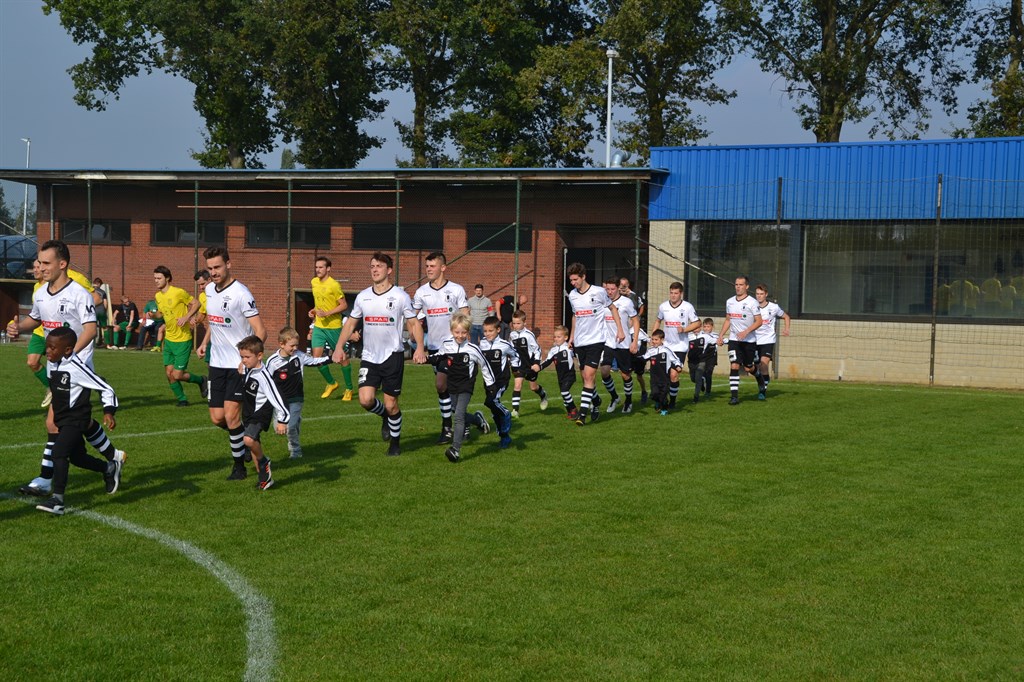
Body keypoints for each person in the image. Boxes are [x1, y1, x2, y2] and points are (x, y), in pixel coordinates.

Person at [7, 240, 125, 497]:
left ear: (63, 264)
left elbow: (90, 330)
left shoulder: (79, 294)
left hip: (77, 371)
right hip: (56, 369)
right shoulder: (40, 293)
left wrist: (69, 356)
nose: (41, 267)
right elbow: (35, 319)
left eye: (46, 263)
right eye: (39, 262)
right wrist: (19, 327)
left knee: (53, 423)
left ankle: (45, 479)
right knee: (77, 423)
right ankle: (112, 459)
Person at [332, 252, 426, 457]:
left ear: (389, 270)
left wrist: (419, 347)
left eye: (379, 266)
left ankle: (395, 443)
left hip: (393, 356)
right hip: (369, 356)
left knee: (392, 404)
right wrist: (339, 347)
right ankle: (384, 416)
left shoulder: (400, 296)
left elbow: (413, 323)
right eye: (372, 266)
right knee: (365, 400)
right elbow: (350, 324)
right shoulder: (363, 296)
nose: (374, 269)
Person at [33, 327, 124, 515]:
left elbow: (105, 387)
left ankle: (57, 500)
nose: (47, 351)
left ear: (67, 350)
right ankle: (108, 467)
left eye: (52, 348)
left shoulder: (76, 368)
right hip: (63, 420)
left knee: (58, 453)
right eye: (47, 346)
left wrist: (108, 411)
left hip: (76, 419)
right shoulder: (54, 364)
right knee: (77, 458)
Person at [196, 246, 267, 480]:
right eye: (210, 268)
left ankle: (239, 468)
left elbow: (260, 331)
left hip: (238, 366)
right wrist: (205, 342)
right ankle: (243, 437)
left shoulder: (241, 294)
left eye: (217, 267)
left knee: (231, 416)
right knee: (217, 418)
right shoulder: (209, 290)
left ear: (228, 264)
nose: (213, 272)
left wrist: (248, 360)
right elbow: (214, 322)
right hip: (216, 364)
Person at [412, 251, 469, 445]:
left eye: (432, 266)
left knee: (441, 385)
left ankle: (447, 428)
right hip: (434, 347)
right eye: (427, 266)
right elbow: (412, 318)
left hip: (454, 347)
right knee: (448, 389)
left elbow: (465, 315)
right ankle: (469, 421)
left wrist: (463, 340)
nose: (428, 269)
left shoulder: (456, 290)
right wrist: (418, 341)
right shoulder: (421, 292)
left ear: (443, 267)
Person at [566, 262, 623, 425]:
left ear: (583, 277)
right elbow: (575, 316)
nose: (573, 283)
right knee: (585, 377)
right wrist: (571, 337)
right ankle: (596, 400)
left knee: (590, 375)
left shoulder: (598, 292)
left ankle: (582, 415)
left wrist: (620, 330)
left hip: (596, 341)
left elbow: (613, 309)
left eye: (575, 279)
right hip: (580, 341)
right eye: (571, 280)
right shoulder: (572, 295)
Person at [434, 313, 495, 462]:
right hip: (452, 385)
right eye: (457, 332)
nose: (460, 336)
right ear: (451, 331)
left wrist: (490, 385)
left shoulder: (473, 348)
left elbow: (485, 365)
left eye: (463, 332)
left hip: (466, 386)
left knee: (459, 416)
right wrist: (425, 358)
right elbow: (439, 356)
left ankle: (455, 449)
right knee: (456, 411)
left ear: (468, 332)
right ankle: (477, 420)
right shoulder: (447, 344)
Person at [265, 327, 333, 459]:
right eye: (292, 345)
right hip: (280, 401)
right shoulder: (272, 361)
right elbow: (266, 381)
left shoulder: (299, 356)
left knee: (289, 427)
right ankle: (295, 421)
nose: (295, 348)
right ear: (281, 344)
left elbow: (314, 361)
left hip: (296, 397)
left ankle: (295, 451)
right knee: (278, 427)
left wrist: (331, 358)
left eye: (296, 345)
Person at [237, 335, 290, 491]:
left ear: (259, 355)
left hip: (260, 414)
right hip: (249, 413)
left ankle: (264, 461)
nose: (244, 360)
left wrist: (283, 420)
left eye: (247, 357)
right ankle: (265, 480)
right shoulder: (250, 369)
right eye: (242, 357)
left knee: (248, 440)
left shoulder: (264, 376)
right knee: (253, 443)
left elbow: (277, 398)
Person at [152, 266, 207, 407]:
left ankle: (201, 380)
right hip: (169, 340)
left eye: (159, 278)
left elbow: (196, 303)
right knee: (169, 373)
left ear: (167, 278)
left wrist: (186, 317)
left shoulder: (178, 292)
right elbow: (160, 314)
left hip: (183, 340)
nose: (156, 281)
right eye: (155, 278)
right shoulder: (158, 296)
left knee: (177, 374)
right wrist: (153, 315)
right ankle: (182, 399)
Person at [308, 256, 355, 401]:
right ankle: (331, 383)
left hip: (334, 327)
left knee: (342, 358)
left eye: (321, 267)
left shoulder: (334, 285)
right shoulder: (314, 282)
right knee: (316, 358)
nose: (318, 270)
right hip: (319, 326)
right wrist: (314, 311)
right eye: (316, 267)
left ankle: (349, 389)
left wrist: (327, 313)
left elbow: (344, 305)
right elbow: (319, 303)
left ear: (328, 269)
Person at [717, 275, 766, 405]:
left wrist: (746, 331)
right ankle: (734, 397)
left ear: (747, 286)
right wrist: (721, 335)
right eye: (736, 284)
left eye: (741, 285)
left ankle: (759, 378)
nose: (738, 287)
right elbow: (728, 320)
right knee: (734, 365)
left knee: (749, 367)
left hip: (749, 341)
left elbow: (759, 321)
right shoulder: (729, 301)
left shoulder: (752, 302)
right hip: (734, 340)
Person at [653, 281, 701, 407]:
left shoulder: (687, 307)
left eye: (675, 293)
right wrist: (654, 338)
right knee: (662, 375)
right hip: (666, 346)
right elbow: (658, 321)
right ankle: (661, 398)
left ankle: (673, 401)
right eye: (671, 293)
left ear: (681, 294)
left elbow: (697, 323)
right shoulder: (663, 306)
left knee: (673, 374)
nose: (673, 295)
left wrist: (684, 329)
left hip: (680, 346)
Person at [600, 276, 640, 413]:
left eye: (612, 289)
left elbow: (635, 320)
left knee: (625, 375)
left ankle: (628, 401)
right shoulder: (603, 302)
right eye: (607, 289)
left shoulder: (626, 302)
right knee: (604, 371)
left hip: (623, 343)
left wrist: (634, 341)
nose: (610, 292)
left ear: (618, 288)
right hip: (608, 342)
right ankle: (614, 397)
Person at [477, 315, 517, 445]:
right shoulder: (482, 343)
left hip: (501, 380)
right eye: (485, 331)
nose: (487, 333)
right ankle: (504, 436)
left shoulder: (504, 345)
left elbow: (515, 355)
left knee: (490, 401)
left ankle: (506, 413)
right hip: (488, 381)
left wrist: (515, 368)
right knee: (494, 409)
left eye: (491, 330)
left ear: (498, 330)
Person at [753, 284, 791, 398]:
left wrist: (786, 329)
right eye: (757, 294)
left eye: (761, 294)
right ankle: (764, 380)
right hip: (754, 340)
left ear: (766, 294)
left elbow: (786, 317)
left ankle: (762, 391)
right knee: (755, 366)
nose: (759, 296)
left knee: (763, 364)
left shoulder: (773, 307)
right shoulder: (752, 306)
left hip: (768, 340)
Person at [509, 309, 549, 417]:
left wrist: (536, 363)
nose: (515, 326)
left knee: (533, 388)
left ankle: (543, 395)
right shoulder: (512, 335)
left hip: (530, 365)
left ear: (524, 323)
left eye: (518, 323)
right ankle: (515, 411)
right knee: (517, 385)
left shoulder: (529, 335)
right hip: (519, 365)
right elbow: (512, 349)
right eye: (514, 323)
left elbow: (537, 350)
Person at [538, 325, 578, 419]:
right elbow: (547, 361)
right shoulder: (553, 350)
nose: (556, 339)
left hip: (569, 375)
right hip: (560, 376)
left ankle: (574, 409)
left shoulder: (569, 348)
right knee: (564, 395)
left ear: (566, 337)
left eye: (559, 337)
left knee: (564, 392)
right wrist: (539, 367)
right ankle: (569, 412)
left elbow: (577, 354)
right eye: (555, 337)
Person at [643, 329, 683, 415]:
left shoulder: (666, 350)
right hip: (654, 378)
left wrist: (678, 366)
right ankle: (658, 402)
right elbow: (643, 358)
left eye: (656, 339)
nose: (654, 341)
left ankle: (664, 410)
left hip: (664, 378)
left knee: (663, 395)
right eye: (652, 339)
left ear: (662, 340)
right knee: (654, 394)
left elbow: (675, 359)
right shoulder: (650, 350)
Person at [687, 318, 719, 402]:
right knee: (693, 379)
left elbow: (718, 341)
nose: (706, 328)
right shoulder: (688, 336)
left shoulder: (707, 336)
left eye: (708, 326)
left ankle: (700, 395)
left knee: (708, 373)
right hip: (692, 360)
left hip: (707, 358)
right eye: (705, 326)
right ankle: (702, 381)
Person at [193, 269, 211, 363]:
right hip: (212, 335)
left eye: (203, 284)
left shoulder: (220, 293)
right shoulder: (202, 296)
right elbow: (202, 314)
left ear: (209, 280)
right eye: (199, 285)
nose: (201, 287)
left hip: (226, 334)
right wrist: (196, 320)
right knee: (209, 362)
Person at [92, 277, 113, 348]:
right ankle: (107, 344)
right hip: (101, 310)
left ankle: (93, 344)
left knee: (93, 327)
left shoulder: (91, 291)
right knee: (105, 327)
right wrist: (105, 311)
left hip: (93, 310)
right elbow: (105, 303)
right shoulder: (103, 292)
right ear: (99, 284)